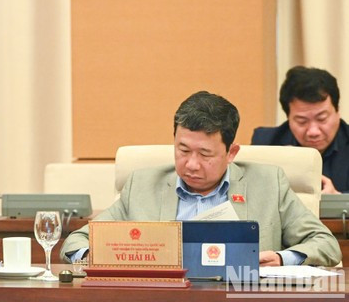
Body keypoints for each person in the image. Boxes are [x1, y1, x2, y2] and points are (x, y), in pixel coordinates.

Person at [60, 91, 341, 267]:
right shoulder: (142, 186)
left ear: (231, 153)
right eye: (182, 150)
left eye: (205, 154)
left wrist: (281, 258)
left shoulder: (268, 183)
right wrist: (92, 257)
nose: (191, 164)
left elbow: (326, 245)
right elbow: (77, 242)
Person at [252, 66, 349, 194]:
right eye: (301, 121)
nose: (313, 132)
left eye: (322, 119)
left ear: (337, 111)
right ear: (288, 117)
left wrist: (338, 199)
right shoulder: (266, 143)